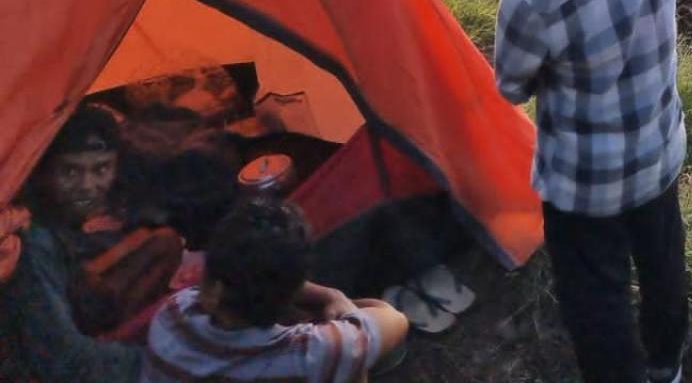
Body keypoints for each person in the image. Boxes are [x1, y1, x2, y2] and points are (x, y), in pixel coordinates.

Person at [486, 0, 690, 383]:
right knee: (662, 265)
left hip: (586, 184)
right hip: (658, 150)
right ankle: (667, 365)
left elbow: (510, 88)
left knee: (596, 301)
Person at [0, 106, 181, 382]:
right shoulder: (29, 241)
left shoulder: (61, 220)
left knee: (164, 244)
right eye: (70, 171)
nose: (87, 185)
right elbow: (67, 362)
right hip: (37, 366)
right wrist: (167, 364)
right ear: (44, 171)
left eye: (101, 169)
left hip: (76, 328)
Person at [143, 194, 409, 381]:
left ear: (213, 289)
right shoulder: (315, 354)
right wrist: (336, 299)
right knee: (352, 366)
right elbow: (395, 319)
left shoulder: (170, 317)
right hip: (322, 352)